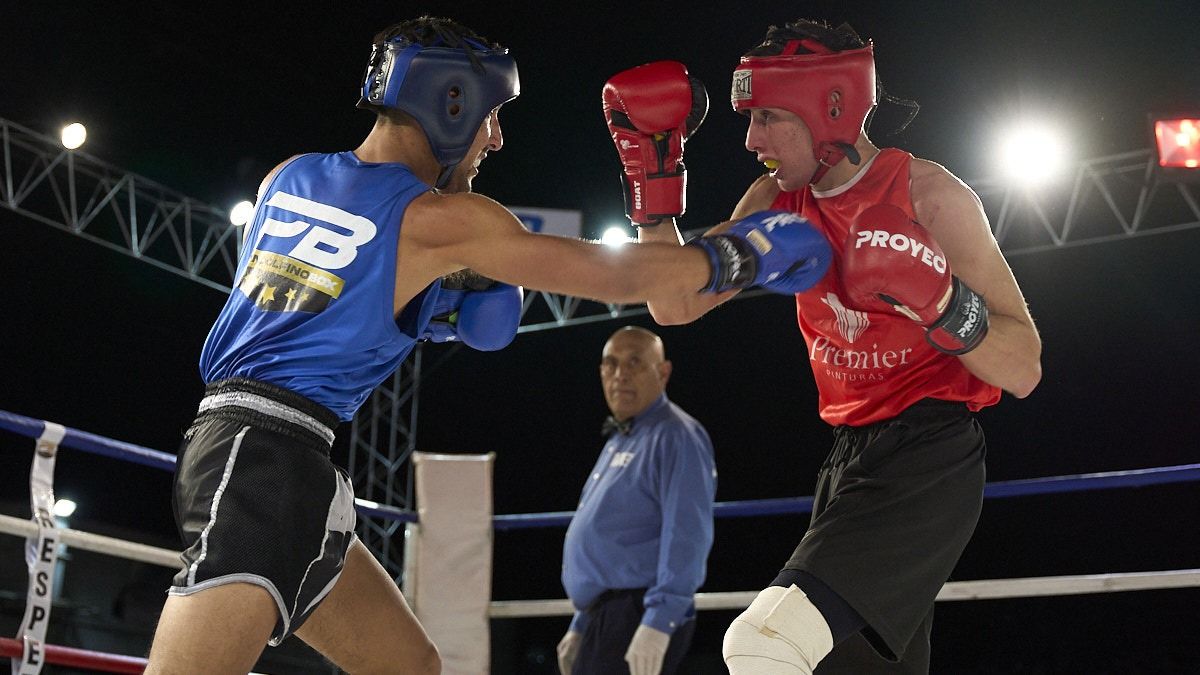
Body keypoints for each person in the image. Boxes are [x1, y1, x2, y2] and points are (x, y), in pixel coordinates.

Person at [144, 15, 835, 675]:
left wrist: (432, 306)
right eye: (491, 116)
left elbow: (305, 300)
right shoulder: (441, 219)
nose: (495, 140)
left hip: (268, 453)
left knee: (407, 663)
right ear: (451, 102)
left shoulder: (284, 177)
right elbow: (611, 274)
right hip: (263, 466)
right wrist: (738, 256)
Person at [602, 19, 1042, 674]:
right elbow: (675, 303)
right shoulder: (778, 201)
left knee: (764, 643)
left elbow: (1023, 364)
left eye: (768, 117)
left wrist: (942, 303)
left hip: (931, 454)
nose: (751, 139)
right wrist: (654, 195)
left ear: (830, 108)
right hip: (848, 461)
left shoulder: (930, 197)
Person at [557, 326, 717, 675]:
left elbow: (688, 534)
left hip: (637, 611)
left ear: (663, 372)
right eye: (610, 364)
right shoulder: (621, 436)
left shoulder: (677, 436)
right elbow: (609, 540)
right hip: (609, 614)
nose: (620, 375)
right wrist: (582, 622)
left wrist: (660, 620)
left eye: (634, 363)